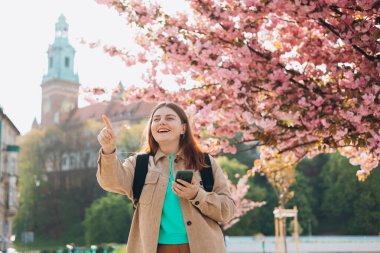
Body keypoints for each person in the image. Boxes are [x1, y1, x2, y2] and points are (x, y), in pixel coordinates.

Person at [96, 102, 236, 253]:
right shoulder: (139, 164)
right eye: (156, 119)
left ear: (183, 128)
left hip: (205, 247)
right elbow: (110, 181)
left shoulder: (205, 163)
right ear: (151, 128)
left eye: (169, 118)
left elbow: (227, 211)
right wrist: (108, 149)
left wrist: (197, 195)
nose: (161, 122)